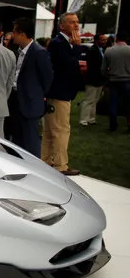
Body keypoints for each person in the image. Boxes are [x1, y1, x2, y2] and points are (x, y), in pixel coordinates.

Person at [43, 12, 83, 175]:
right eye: (72, 22)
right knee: (60, 130)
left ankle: (46, 160)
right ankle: (61, 165)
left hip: (60, 93)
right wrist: (77, 49)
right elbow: (68, 67)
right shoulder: (58, 43)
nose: (76, 25)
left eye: (77, 22)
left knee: (51, 130)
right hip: (59, 93)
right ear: (62, 25)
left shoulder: (63, 43)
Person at [8, 17, 54, 157]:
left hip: (30, 104)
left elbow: (47, 78)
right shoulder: (18, 52)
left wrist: (36, 95)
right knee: (17, 140)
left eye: (14, 32)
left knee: (31, 141)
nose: (12, 35)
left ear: (22, 33)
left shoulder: (39, 52)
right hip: (15, 101)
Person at [101, 31, 130, 132]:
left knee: (113, 103)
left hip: (113, 80)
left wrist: (107, 76)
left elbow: (103, 69)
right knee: (128, 104)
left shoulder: (109, 51)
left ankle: (113, 126)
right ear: (126, 39)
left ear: (116, 38)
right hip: (127, 80)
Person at [79, 33, 108, 126]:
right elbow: (92, 66)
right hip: (92, 79)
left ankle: (91, 118)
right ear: (96, 40)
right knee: (89, 100)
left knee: (95, 100)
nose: (104, 41)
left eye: (105, 40)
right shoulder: (92, 50)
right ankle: (83, 119)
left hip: (100, 79)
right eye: (102, 39)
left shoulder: (102, 50)